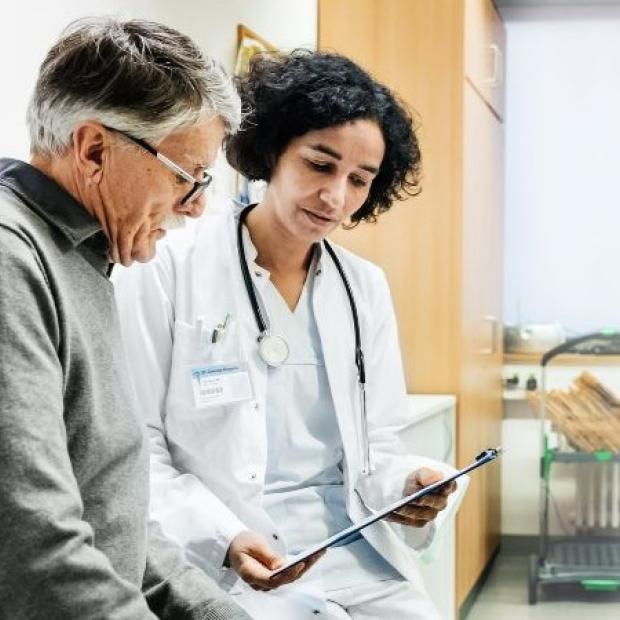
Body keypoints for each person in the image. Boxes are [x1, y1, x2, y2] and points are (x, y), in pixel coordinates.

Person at [114, 50, 468, 619]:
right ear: (272, 151)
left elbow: (377, 448)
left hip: (353, 551)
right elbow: (137, 450)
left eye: (360, 180)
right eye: (320, 165)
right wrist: (223, 538)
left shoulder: (364, 288)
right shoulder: (169, 267)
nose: (336, 197)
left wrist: (409, 485)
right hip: (228, 554)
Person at [0, 17, 252, 620]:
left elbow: (114, 520)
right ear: (93, 150)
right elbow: (34, 548)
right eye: (187, 178)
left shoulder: (84, 258)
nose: (196, 208)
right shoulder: (13, 263)